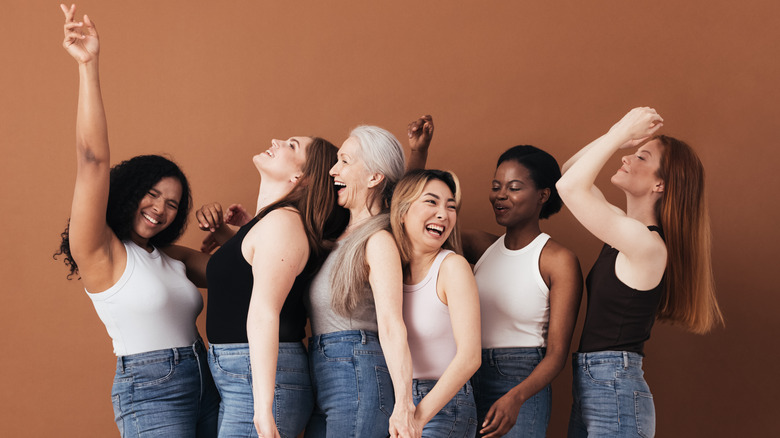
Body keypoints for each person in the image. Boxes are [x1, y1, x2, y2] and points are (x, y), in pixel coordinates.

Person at [54, 4, 218, 436]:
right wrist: (88, 66)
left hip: (208, 380)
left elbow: (241, 271)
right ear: (129, 191)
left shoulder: (169, 257)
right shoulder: (100, 251)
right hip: (152, 389)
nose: (160, 209)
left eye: (172, 204)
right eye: (152, 195)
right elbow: (92, 160)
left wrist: (227, 233)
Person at [556, 107, 724, 437]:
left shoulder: (645, 243)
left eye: (641, 157)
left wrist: (619, 131)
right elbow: (570, 171)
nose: (628, 158)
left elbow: (569, 187)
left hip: (614, 387)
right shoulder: (623, 228)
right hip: (600, 385)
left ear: (660, 184)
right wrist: (617, 138)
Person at [171, 135, 347, 438]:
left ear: (300, 178)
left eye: (292, 145)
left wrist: (264, 407)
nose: (276, 140)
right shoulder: (270, 223)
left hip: (260, 378)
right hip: (243, 375)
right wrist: (230, 234)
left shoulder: (284, 223)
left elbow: (266, 312)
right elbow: (247, 276)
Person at [304, 125, 419, 438]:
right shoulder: (338, 236)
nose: (332, 169)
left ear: (374, 177)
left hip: (357, 370)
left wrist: (404, 403)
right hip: (325, 369)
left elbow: (393, 325)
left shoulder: (379, 240)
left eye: (344, 161)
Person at [463, 146, 583, 438]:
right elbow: (416, 219)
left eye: (514, 187)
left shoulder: (558, 260)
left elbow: (556, 354)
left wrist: (516, 397)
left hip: (521, 380)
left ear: (543, 195)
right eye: (496, 187)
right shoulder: (481, 246)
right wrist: (419, 152)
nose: (500, 195)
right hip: (467, 375)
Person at [390, 169, 482, 437]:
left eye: (450, 206)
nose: (443, 214)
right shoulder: (391, 271)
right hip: (398, 401)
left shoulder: (452, 267)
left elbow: (470, 357)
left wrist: (415, 419)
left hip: (444, 406)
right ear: (402, 211)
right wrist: (403, 409)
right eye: (431, 202)